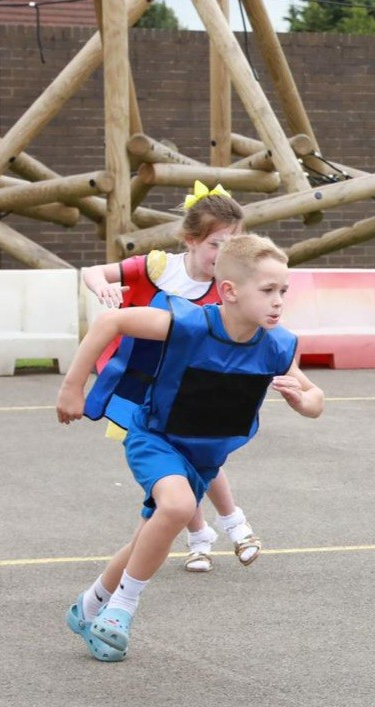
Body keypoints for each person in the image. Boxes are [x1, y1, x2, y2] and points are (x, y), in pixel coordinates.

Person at [59, 234, 324, 661]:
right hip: (155, 438)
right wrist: (72, 388)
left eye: (283, 291)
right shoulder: (188, 324)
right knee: (179, 507)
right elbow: (111, 322)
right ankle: (121, 610)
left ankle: (88, 607)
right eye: (268, 290)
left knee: (149, 537)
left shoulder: (276, 345)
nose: (278, 301)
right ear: (230, 291)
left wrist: (302, 401)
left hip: (203, 458)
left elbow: (316, 399)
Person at [83, 181, 258, 573]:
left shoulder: (228, 286)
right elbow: (92, 271)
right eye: (216, 244)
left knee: (200, 452)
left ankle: (234, 523)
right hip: (141, 382)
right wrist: (103, 289)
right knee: (172, 466)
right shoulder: (158, 268)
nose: (224, 254)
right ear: (190, 240)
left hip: (192, 385)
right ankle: (200, 537)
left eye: (233, 245)